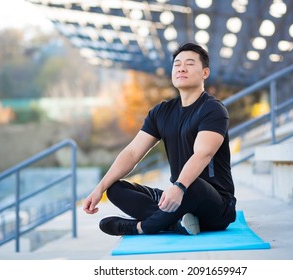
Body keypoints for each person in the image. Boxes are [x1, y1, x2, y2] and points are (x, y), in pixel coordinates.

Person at [83, 43, 237, 236]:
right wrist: (100, 188)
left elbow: (203, 154)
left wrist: (179, 186)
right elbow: (132, 153)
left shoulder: (213, 110)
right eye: (177, 64)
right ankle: (176, 223)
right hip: (178, 196)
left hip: (214, 204)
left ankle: (141, 227)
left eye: (189, 64)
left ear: (205, 73)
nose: (181, 68)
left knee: (194, 185)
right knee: (114, 188)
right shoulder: (161, 112)